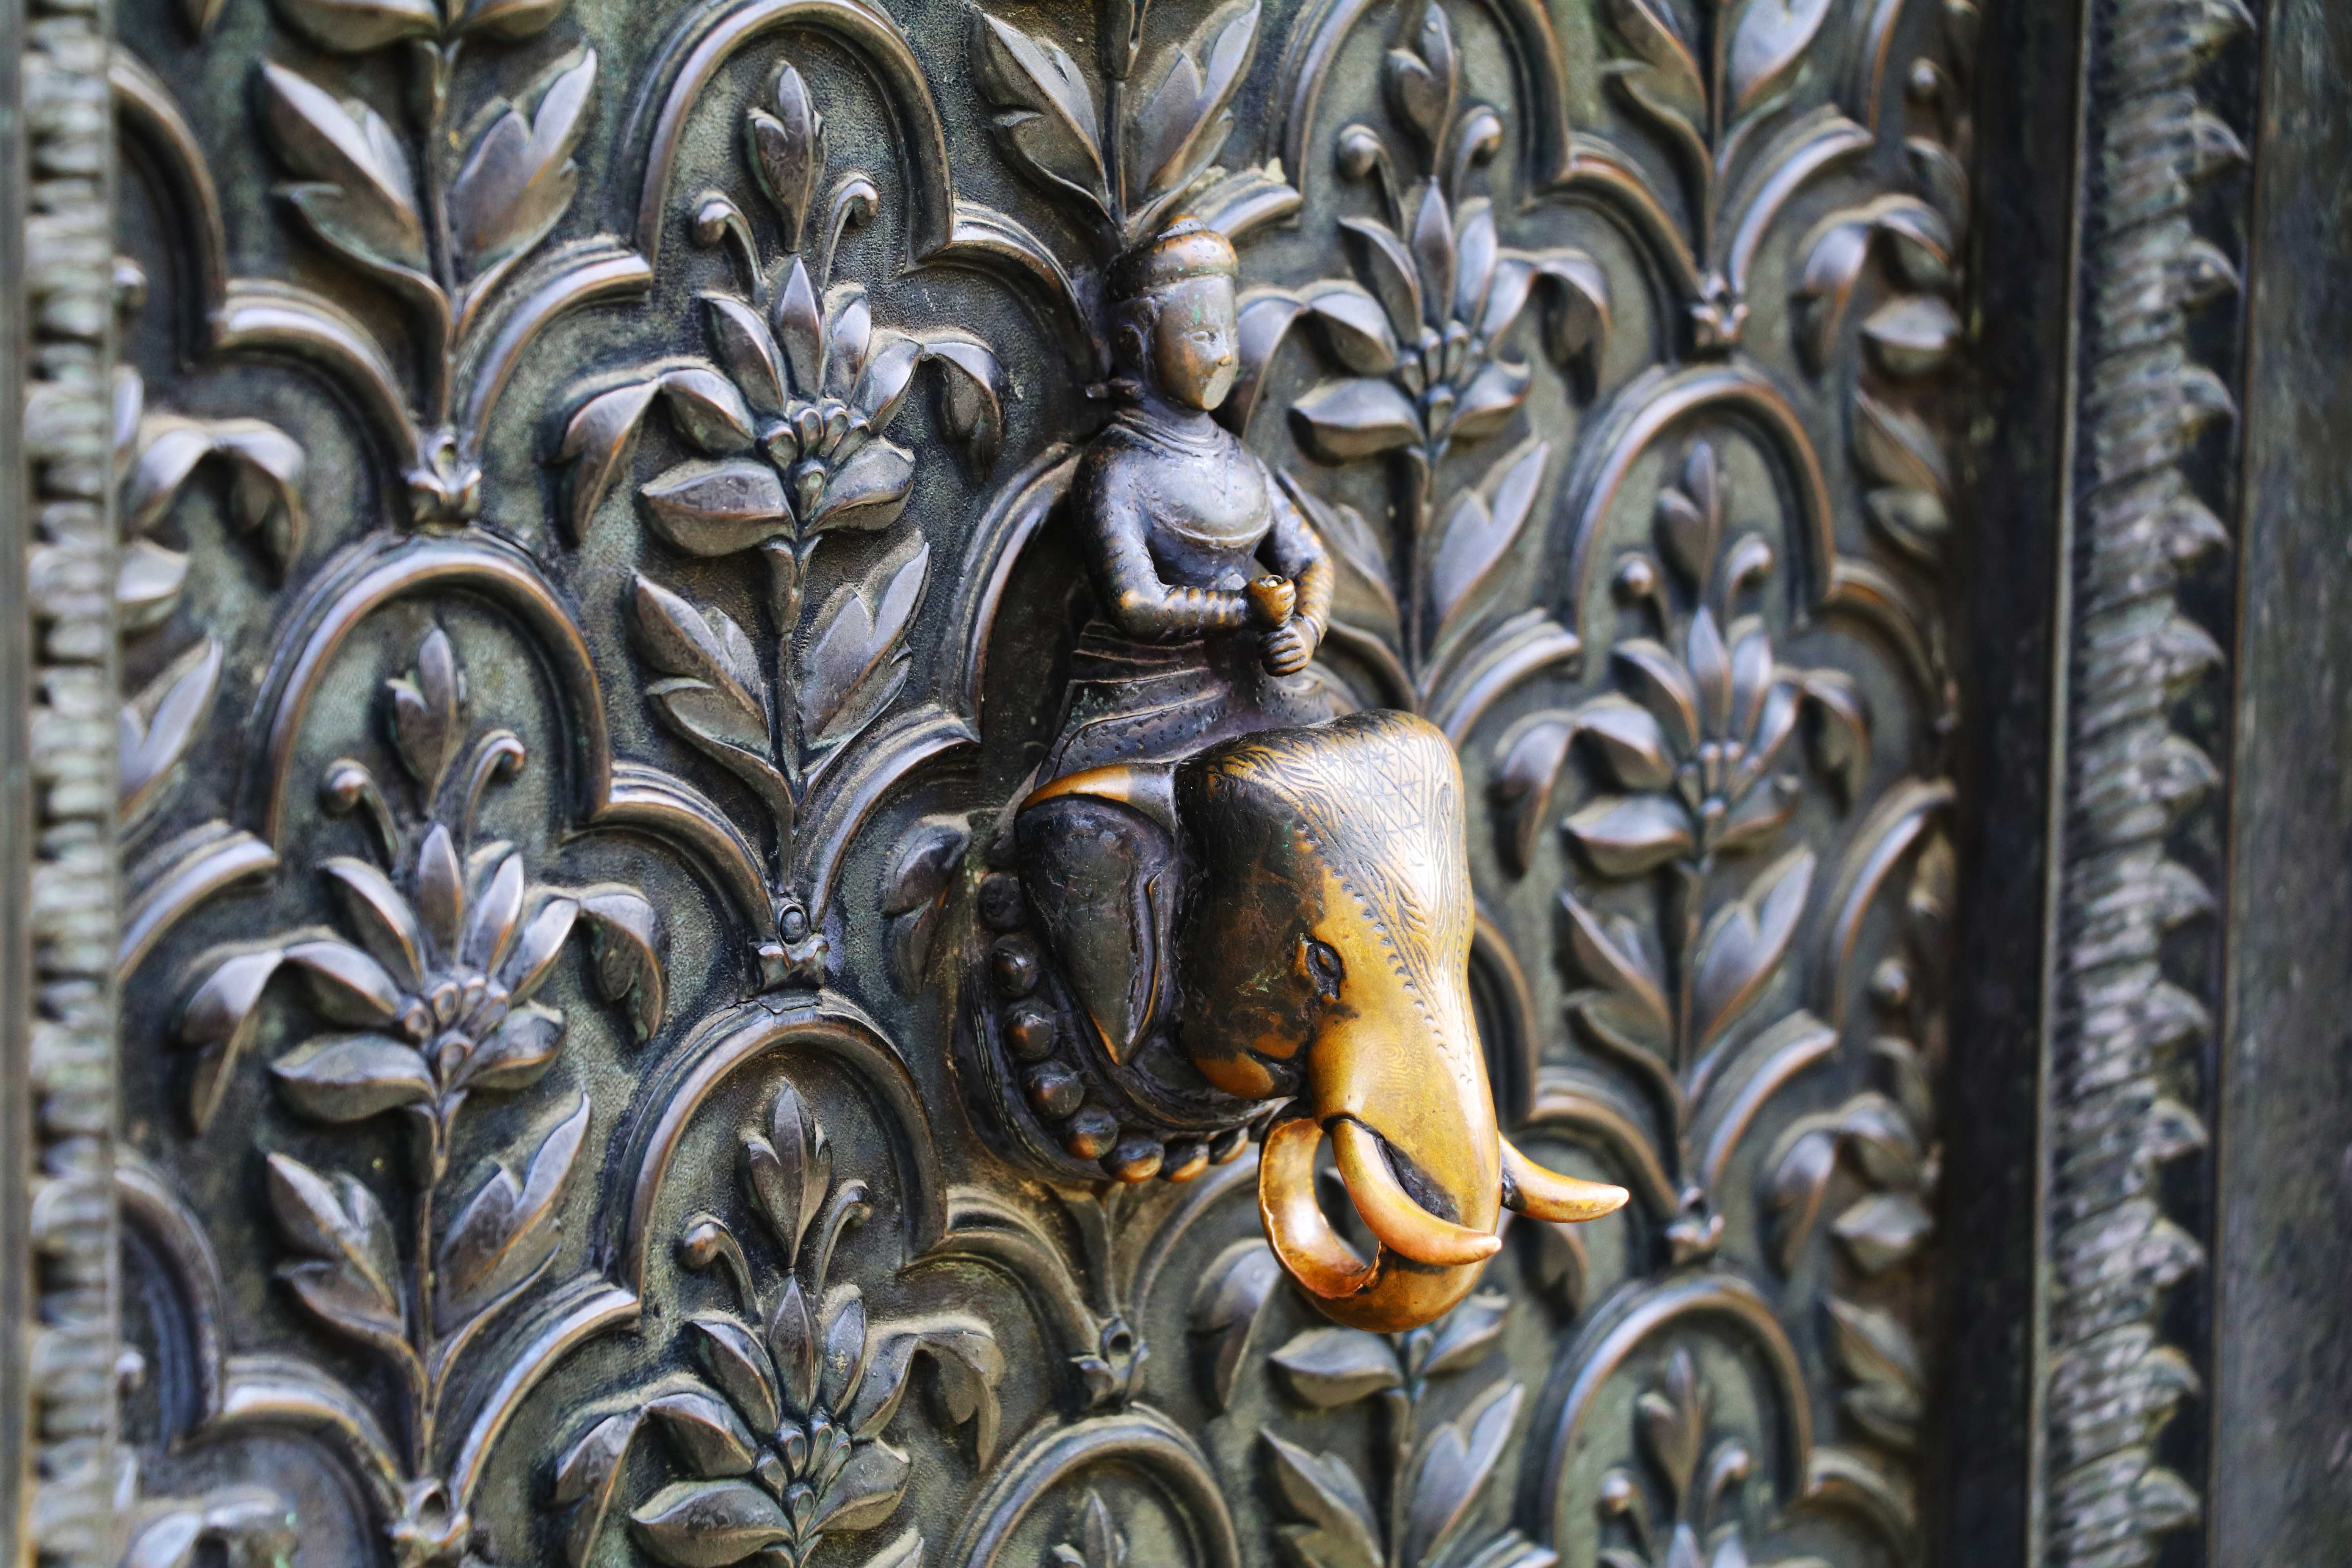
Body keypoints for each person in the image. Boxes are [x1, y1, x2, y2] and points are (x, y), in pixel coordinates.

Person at [1042, 217, 1339, 779]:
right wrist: (1243, 610)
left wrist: (1306, 629)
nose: (1225, 354)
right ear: (1138, 343)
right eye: (1204, 335)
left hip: (1259, 674)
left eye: (1228, 333)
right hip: (1159, 694)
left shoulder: (1239, 458)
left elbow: (1310, 558)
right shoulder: (1120, 467)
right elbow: (1136, 602)